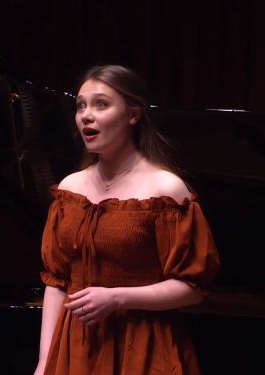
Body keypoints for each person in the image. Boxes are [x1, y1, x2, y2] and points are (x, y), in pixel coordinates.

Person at [35, 65, 221, 375]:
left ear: (133, 115)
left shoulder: (166, 191)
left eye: (101, 104)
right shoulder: (69, 190)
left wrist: (118, 298)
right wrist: (45, 362)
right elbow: (57, 283)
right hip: (76, 348)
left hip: (144, 346)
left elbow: (191, 287)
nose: (86, 115)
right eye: (81, 105)